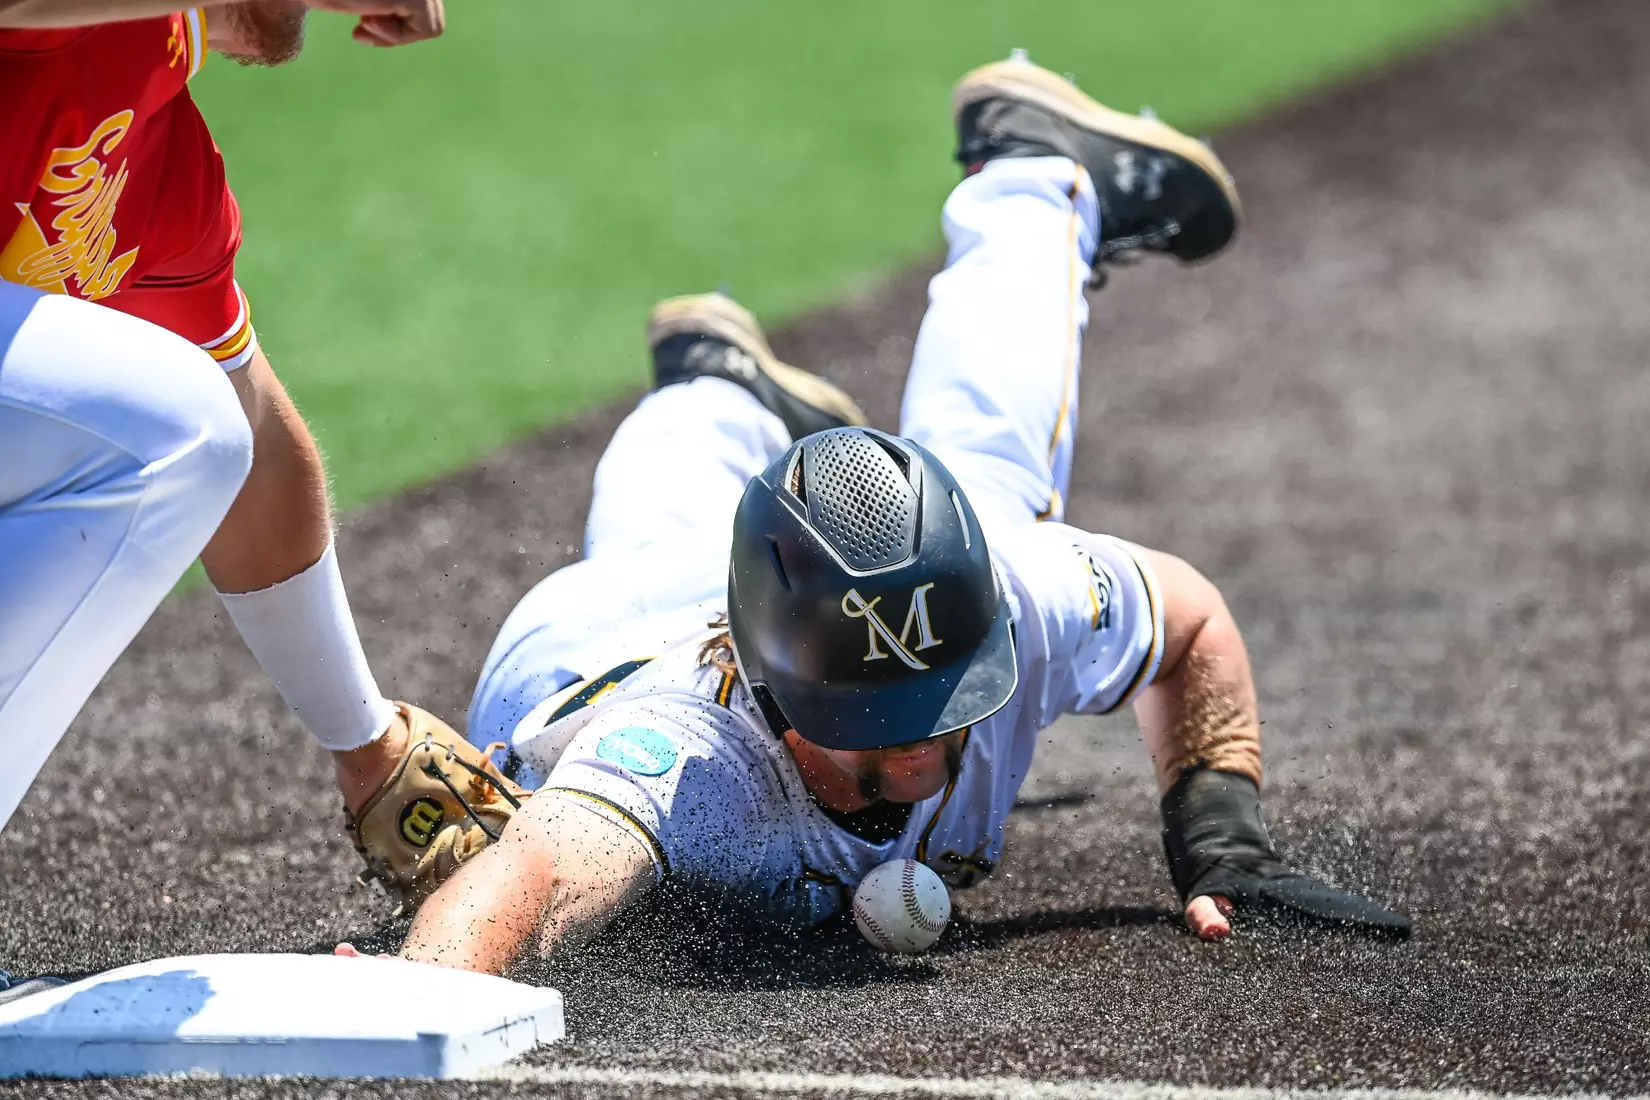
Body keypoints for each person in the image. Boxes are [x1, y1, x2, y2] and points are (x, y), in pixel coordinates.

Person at [343, 53, 1412, 974]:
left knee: (978, 506)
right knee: (658, 553)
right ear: (780, 695)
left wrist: (1223, 842)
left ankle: (733, 378)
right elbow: (533, 874)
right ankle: (1016, 190)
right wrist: (421, 984)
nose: (920, 761)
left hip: (735, 594)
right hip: (578, 644)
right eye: (878, 726)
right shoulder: (691, 760)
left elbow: (1189, 619)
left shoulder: (1013, 595)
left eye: (941, 706)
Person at [0, 0, 456, 996]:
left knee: (186, 423)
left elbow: (246, 438)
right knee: (174, 426)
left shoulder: (151, 132)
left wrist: (368, 742)